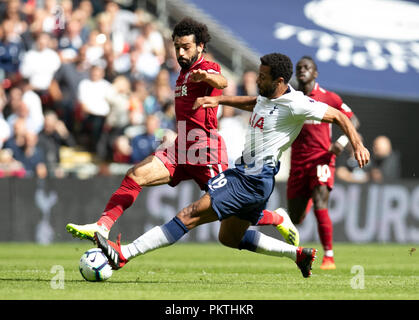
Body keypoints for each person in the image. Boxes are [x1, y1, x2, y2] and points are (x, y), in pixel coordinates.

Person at [93, 53, 369, 279]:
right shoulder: (267, 95)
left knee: (190, 214)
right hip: (253, 177)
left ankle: (125, 254)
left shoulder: (296, 103)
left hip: (252, 176)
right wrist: (220, 99)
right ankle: (298, 254)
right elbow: (254, 101)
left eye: (262, 76)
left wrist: (356, 144)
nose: (257, 80)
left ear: (280, 80)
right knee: (229, 237)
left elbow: (339, 117)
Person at [67, 17, 270, 241]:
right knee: (135, 175)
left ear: (200, 46)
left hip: (205, 151)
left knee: (231, 210)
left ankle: (277, 219)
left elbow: (222, 82)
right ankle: (102, 226)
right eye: (177, 47)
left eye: (186, 47)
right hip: (181, 147)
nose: (181, 53)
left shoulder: (205, 67)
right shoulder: (182, 74)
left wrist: (207, 77)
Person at [272, 56, 360, 270]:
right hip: (298, 162)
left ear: (315, 73)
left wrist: (341, 141)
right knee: (296, 218)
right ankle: (304, 203)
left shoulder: (328, 97)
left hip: (322, 159)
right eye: (299, 68)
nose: (302, 71)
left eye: (307, 68)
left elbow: (353, 120)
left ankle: (328, 257)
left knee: (321, 203)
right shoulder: (290, 97)